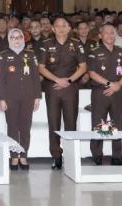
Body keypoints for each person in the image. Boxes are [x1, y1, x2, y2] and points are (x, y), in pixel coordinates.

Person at [37, 17, 87, 170]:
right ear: (53, 28)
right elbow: (41, 68)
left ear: (69, 28)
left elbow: (83, 67)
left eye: (64, 26)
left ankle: (71, 155)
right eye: (58, 26)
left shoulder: (76, 44)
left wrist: (69, 81)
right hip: (52, 88)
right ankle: (56, 156)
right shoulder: (46, 45)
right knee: (54, 123)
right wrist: (58, 80)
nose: (61, 28)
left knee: (71, 122)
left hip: (71, 88)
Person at [87, 23, 122, 166]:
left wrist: (118, 85)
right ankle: (97, 154)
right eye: (106, 33)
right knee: (99, 124)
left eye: (112, 33)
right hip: (101, 92)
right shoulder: (93, 51)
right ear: (100, 36)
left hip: (118, 92)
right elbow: (91, 73)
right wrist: (109, 84)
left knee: (118, 124)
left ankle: (117, 155)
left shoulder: (121, 50)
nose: (110, 36)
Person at [0, 29, 40, 170]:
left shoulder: (30, 55)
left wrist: (37, 96)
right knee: (13, 127)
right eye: (13, 37)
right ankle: (14, 156)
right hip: (10, 98)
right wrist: (2, 98)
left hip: (28, 97)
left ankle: (23, 155)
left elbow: (35, 77)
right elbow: (0, 80)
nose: (17, 40)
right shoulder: (3, 56)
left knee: (25, 128)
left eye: (19, 37)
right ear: (9, 39)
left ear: (23, 39)